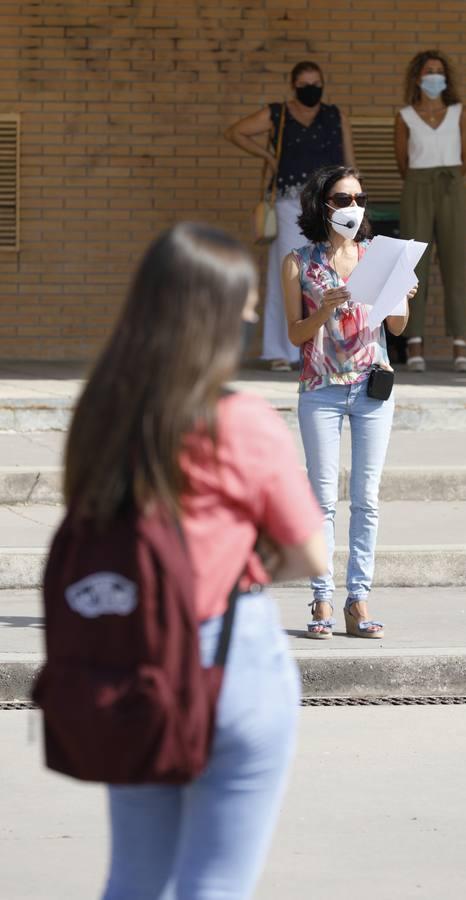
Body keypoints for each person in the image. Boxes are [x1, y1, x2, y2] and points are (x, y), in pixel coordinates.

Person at [63, 222, 327, 899]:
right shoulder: (238, 420)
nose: (245, 322)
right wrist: (238, 552)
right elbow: (309, 551)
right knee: (214, 884)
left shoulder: (102, 410)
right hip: (228, 660)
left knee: (134, 877)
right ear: (213, 317)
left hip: (127, 661)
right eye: (242, 310)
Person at [282, 165, 417, 639]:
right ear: (322, 205)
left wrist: (401, 295)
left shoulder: (379, 257)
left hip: (371, 385)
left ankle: (357, 600)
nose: (353, 208)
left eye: (358, 198)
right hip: (320, 388)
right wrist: (324, 308)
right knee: (321, 500)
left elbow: (396, 328)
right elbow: (295, 334)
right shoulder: (299, 262)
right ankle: (321, 596)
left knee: (367, 499)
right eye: (342, 199)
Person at [224, 60, 355, 372]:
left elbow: (349, 158)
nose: (311, 89)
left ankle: (330, 346)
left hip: (328, 203)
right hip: (287, 203)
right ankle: (281, 350)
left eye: (316, 83)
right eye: (304, 84)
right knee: (288, 270)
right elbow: (236, 131)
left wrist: (353, 195)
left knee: (331, 271)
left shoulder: (334, 115)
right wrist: (269, 157)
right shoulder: (278, 113)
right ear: (293, 86)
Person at [394, 49, 466, 372]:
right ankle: (415, 343)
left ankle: (460, 342)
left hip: (451, 186)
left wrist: (446, 180)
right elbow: (403, 162)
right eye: (428, 71)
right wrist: (421, 181)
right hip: (417, 187)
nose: (434, 77)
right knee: (415, 266)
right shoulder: (405, 116)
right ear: (418, 77)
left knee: (455, 263)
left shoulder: (460, 113)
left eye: (439, 71)